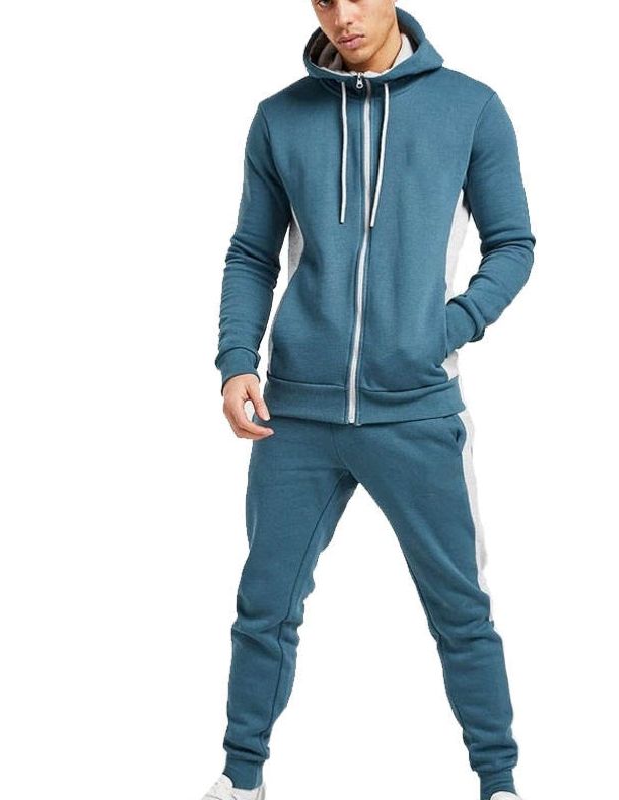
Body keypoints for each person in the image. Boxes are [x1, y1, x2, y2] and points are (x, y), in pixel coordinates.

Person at [203, 2, 535, 799]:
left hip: (416, 410)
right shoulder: (280, 117)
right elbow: (251, 252)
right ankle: (240, 780)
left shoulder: (470, 107)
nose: (344, 15)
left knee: (460, 609)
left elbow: (513, 245)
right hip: (296, 416)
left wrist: (446, 328)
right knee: (264, 607)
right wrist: (236, 361)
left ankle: (499, 783)